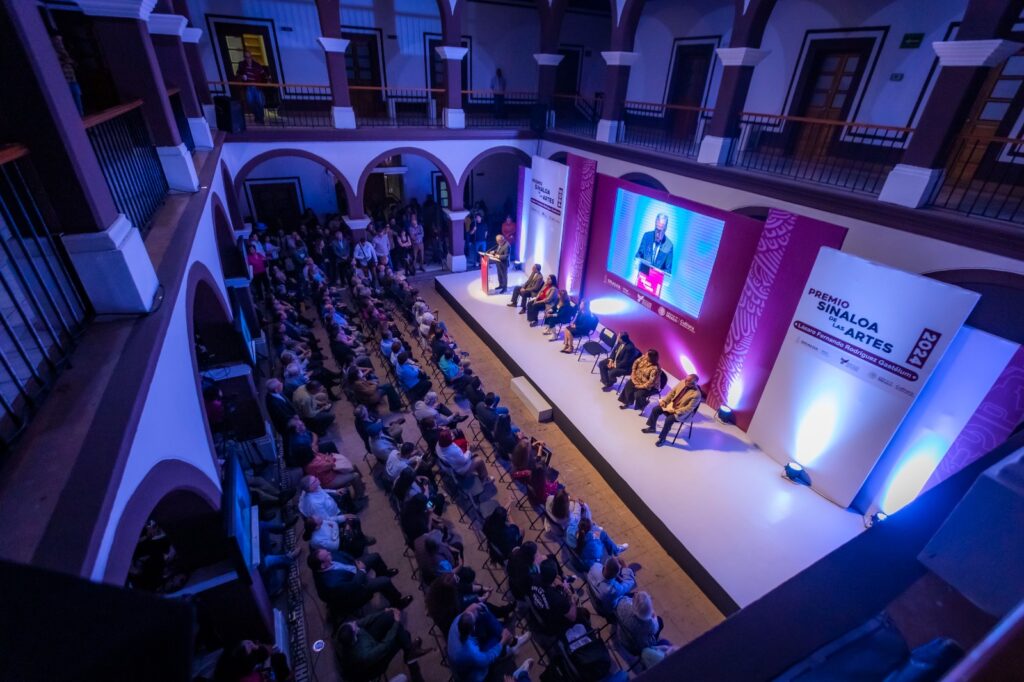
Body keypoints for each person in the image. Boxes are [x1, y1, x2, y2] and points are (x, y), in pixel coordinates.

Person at [335, 609, 433, 682]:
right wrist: (396, 623)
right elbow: (384, 646)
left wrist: (385, 612)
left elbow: (363, 621)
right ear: (355, 638)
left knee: (389, 616)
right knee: (404, 635)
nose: (355, 625)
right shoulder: (363, 655)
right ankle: (414, 666)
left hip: (368, 639)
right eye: (355, 628)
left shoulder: (345, 629)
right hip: (374, 665)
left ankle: (410, 652)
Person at [307, 547, 414, 611]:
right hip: (356, 589)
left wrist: (355, 561)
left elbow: (341, 553)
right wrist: (361, 570)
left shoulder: (327, 557)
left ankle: (383, 572)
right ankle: (397, 603)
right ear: (323, 566)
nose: (329, 553)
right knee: (384, 581)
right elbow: (353, 586)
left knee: (375, 556)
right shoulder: (332, 583)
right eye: (326, 555)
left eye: (327, 551)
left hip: (354, 568)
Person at [448, 602, 530, 682]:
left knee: (482, 612)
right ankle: (510, 647)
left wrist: (474, 606)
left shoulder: (457, 621)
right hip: (473, 674)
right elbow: (487, 658)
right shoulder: (471, 652)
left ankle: (511, 641)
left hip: (467, 653)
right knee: (497, 640)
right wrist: (502, 641)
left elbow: (468, 612)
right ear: (473, 629)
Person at [643, 374, 701, 446]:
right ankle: (652, 428)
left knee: (669, 419)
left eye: (688, 381)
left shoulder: (696, 394)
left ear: (694, 384)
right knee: (656, 409)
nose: (685, 382)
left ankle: (662, 438)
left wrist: (675, 411)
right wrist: (665, 401)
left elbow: (689, 409)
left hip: (681, 412)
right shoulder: (682, 382)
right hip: (671, 405)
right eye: (686, 380)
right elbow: (672, 393)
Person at [615, 591, 669, 658]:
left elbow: (624, 598)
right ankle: (655, 643)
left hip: (622, 636)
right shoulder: (650, 625)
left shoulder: (622, 604)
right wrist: (654, 616)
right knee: (660, 621)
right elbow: (655, 628)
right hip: (636, 648)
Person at [234, 50, 270, 124]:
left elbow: (263, 74)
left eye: (249, 57)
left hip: (257, 86)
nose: (248, 59)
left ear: (251, 57)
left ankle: (260, 119)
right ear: (244, 57)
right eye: (246, 57)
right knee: (250, 103)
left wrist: (266, 81)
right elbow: (238, 74)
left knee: (260, 103)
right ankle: (257, 116)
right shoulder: (242, 65)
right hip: (248, 86)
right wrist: (242, 76)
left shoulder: (256, 65)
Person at [51, 34, 84, 115]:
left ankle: (81, 115)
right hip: (65, 82)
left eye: (60, 41)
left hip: (73, 79)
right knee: (69, 101)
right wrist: (66, 61)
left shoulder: (65, 52)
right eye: (58, 41)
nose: (60, 43)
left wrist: (70, 61)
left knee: (77, 98)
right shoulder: (53, 53)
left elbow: (73, 63)